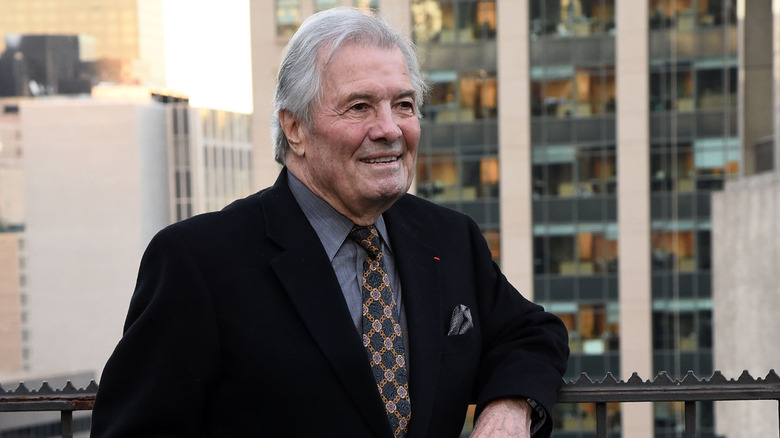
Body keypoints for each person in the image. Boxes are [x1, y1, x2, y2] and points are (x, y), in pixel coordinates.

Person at [91, 7, 569, 438]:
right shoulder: (198, 261)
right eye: (360, 107)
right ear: (294, 128)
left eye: (403, 105)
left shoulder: (448, 237)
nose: (389, 129)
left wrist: (510, 406)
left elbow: (531, 332)